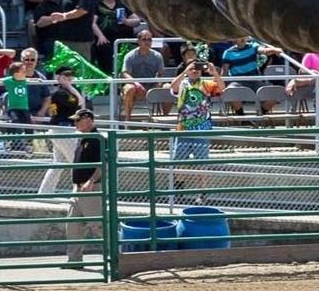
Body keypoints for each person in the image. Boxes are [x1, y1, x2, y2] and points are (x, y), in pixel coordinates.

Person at [170, 60, 221, 203]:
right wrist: (185, 72)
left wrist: (214, 72)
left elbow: (221, 87)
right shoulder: (183, 83)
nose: (195, 70)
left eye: (198, 69)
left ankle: (202, 193)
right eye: (193, 68)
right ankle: (179, 192)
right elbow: (173, 87)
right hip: (183, 128)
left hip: (202, 129)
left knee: (202, 162)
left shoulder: (206, 84)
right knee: (179, 161)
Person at [64, 108, 102, 268]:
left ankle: (121, 254)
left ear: (88, 120)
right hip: (78, 188)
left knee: (98, 225)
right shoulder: (84, 138)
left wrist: (91, 181)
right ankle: (74, 260)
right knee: (73, 225)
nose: (75, 123)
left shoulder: (97, 139)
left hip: (90, 188)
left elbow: (102, 163)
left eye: (78, 120)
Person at [38, 66, 84, 194]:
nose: (69, 79)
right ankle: (78, 193)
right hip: (62, 130)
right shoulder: (60, 93)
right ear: (58, 78)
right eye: (65, 76)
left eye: (70, 76)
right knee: (76, 162)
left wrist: (70, 86)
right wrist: (68, 86)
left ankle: (44, 193)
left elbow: (82, 104)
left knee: (58, 164)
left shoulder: (70, 91)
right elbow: (79, 102)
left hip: (63, 130)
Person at [220, 36, 282, 114]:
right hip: (237, 82)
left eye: (244, 36)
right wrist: (224, 86)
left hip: (255, 80)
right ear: (234, 39)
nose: (242, 38)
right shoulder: (228, 53)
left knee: (275, 94)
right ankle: (242, 118)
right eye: (240, 36)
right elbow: (224, 71)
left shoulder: (252, 46)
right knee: (230, 92)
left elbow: (264, 51)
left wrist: (275, 50)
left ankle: (260, 114)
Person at [119, 30, 165, 120]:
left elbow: (161, 74)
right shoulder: (129, 56)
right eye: (144, 39)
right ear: (138, 41)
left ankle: (164, 120)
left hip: (151, 86)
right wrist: (136, 83)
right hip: (134, 86)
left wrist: (158, 84)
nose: (147, 42)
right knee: (129, 88)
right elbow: (125, 73)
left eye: (149, 40)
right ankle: (127, 120)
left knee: (167, 86)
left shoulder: (158, 56)